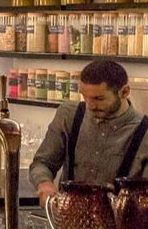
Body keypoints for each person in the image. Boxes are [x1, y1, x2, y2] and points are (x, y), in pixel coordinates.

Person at [30, 59, 148, 204]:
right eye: (85, 97)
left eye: (98, 98)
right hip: (68, 214)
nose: (90, 106)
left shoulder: (144, 132)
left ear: (124, 92)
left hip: (119, 218)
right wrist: (44, 184)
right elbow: (43, 163)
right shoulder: (69, 115)